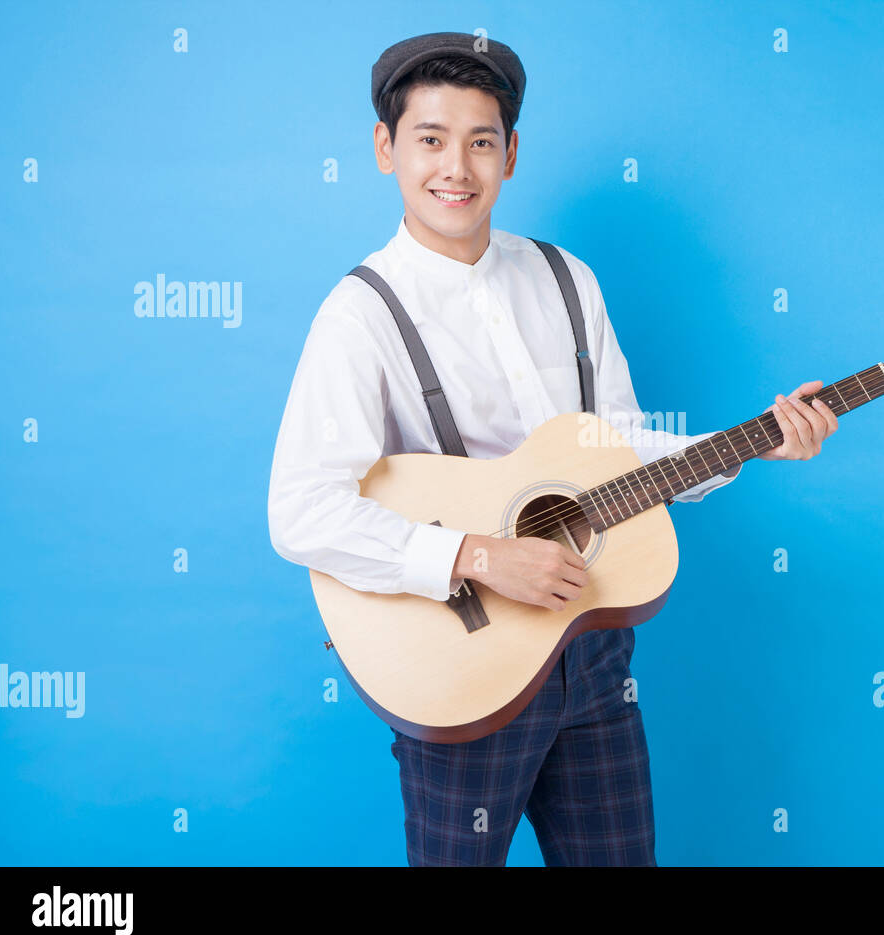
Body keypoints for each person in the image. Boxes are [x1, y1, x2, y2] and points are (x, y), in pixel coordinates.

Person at [267, 31, 837, 866]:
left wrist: (756, 444)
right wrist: (478, 555)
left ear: (513, 153)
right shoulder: (359, 316)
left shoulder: (568, 279)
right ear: (385, 147)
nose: (456, 167)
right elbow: (301, 510)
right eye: (430, 139)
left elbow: (621, 450)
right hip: (462, 665)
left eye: (481, 142)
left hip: (596, 657)